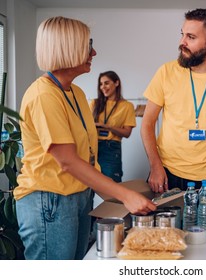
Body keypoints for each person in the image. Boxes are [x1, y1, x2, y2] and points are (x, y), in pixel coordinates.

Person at [14, 16, 156, 260]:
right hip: (50, 200)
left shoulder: (75, 93)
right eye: (87, 45)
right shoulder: (43, 96)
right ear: (67, 48)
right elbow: (67, 161)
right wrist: (124, 196)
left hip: (78, 196)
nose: (94, 52)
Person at [141, 8, 206, 193]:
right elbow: (147, 124)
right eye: (182, 35)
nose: (182, 42)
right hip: (166, 173)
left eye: (191, 37)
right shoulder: (166, 72)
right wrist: (155, 166)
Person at [90, 71, 136, 182]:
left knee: (112, 187)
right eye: (101, 84)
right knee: (88, 188)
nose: (103, 87)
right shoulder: (94, 103)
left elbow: (127, 133)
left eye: (106, 83)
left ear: (116, 83)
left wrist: (107, 127)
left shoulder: (127, 106)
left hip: (111, 149)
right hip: (92, 148)